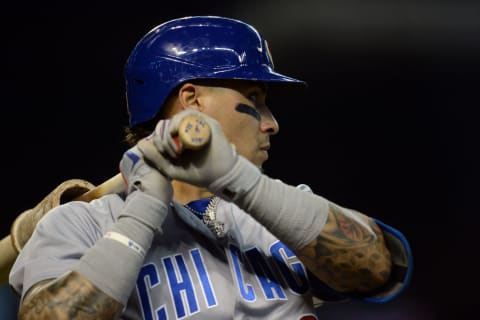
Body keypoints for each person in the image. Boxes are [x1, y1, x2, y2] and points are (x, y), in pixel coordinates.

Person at [9, 16, 412, 319]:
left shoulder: (281, 210)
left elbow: (377, 270)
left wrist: (240, 182)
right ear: (192, 99)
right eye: (254, 98)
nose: (271, 122)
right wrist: (142, 212)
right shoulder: (85, 225)